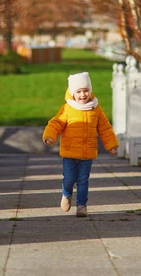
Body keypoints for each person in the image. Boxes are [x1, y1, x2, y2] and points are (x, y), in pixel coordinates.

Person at [43, 71, 119, 217]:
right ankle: (66, 194)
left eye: (86, 91)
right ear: (72, 93)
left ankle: (81, 206)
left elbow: (105, 127)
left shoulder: (95, 108)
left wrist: (111, 145)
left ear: (90, 91)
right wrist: (49, 137)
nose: (83, 95)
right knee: (69, 179)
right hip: (70, 153)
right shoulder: (67, 108)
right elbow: (56, 123)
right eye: (79, 92)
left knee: (83, 180)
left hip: (87, 153)